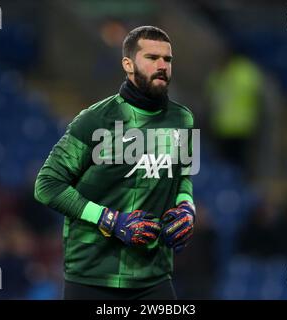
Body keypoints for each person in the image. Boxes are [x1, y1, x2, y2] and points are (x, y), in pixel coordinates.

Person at [34, 26, 196, 300]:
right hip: (93, 275)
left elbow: (182, 178)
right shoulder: (95, 120)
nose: (161, 66)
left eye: (167, 60)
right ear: (128, 64)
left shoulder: (182, 120)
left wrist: (186, 207)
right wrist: (109, 220)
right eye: (151, 58)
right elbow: (47, 185)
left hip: (153, 276)